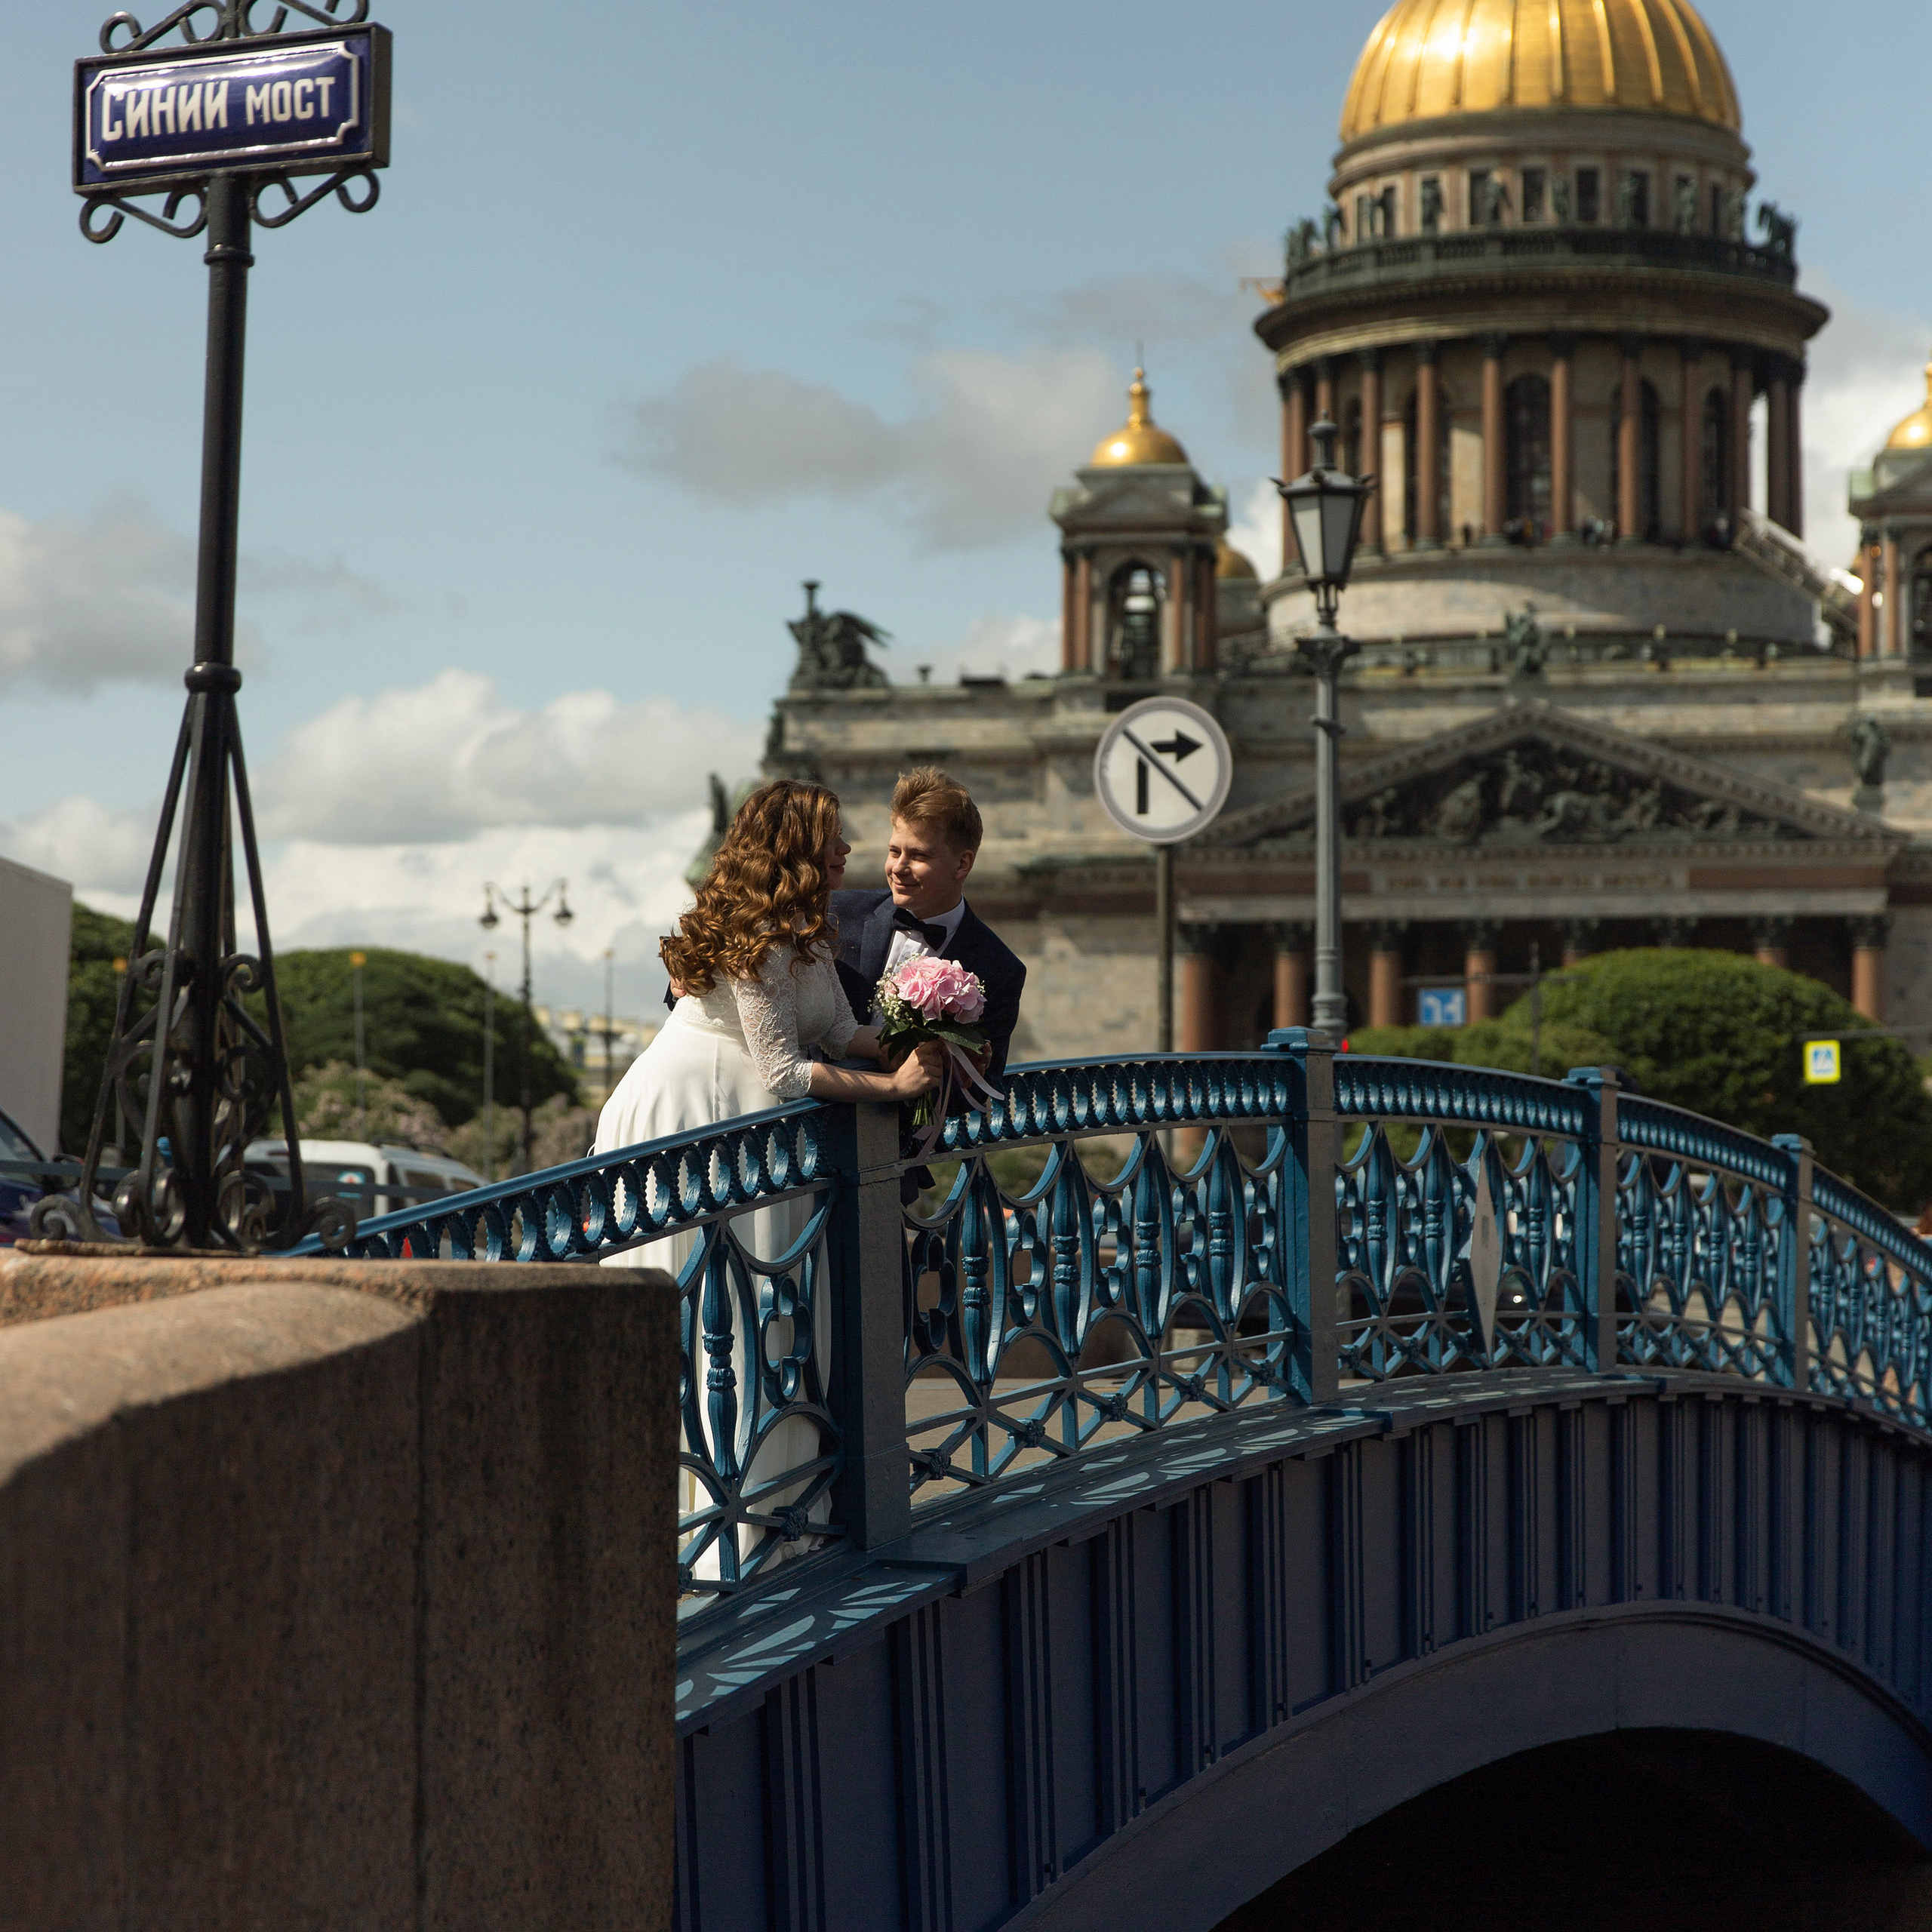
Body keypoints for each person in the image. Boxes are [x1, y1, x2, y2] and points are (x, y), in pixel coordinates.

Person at [595, 779, 940, 1577]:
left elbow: (841, 1032)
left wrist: (929, 1035)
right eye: (833, 837)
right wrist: (892, 1089)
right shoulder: (755, 932)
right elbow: (783, 1070)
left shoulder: (805, 930)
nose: (847, 849)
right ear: (797, 847)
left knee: (768, 1306)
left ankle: (773, 1505)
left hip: (749, 1119)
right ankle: (710, 1521)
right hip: (697, 1114)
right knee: (720, 1306)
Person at [832, 766, 1026, 1078]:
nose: (898, 867)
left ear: (963, 864)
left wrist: (964, 1075)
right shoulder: (838, 915)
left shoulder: (1000, 969)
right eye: (894, 851)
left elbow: (980, 1090)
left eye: (919, 856)